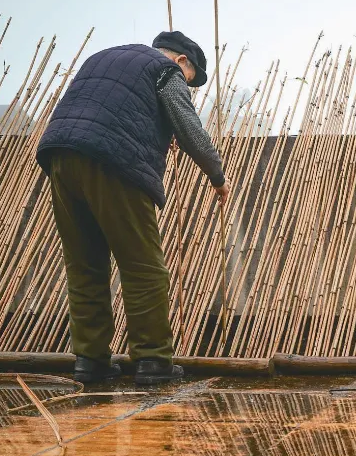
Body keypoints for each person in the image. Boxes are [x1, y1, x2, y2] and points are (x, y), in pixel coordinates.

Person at [36, 31, 231, 385]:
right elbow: (188, 127)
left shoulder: (105, 57)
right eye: (190, 82)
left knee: (85, 264)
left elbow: (108, 110)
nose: (187, 87)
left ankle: (90, 362)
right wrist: (217, 176)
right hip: (113, 162)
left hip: (60, 155)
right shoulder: (165, 69)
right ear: (181, 61)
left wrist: (153, 133)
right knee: (143, 267)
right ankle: (153, 361)